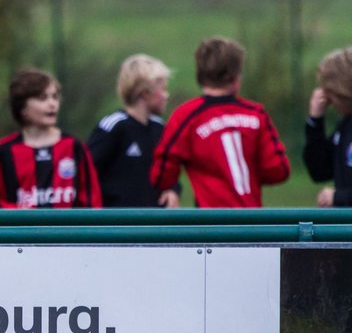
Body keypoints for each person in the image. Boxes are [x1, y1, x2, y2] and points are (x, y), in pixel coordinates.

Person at [150, 36, 289, 208]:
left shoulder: (187, 116)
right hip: (253, 222)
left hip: (212, 223)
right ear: (236, 76)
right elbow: (279, 170)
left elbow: (162, 174)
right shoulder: (255, 114)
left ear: (200, 73)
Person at [0, 68, 101, 209]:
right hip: (23, 231)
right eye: (42, 98)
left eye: (55, 97)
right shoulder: (5, 151)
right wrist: (19, 215)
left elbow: (91, 199)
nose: (52, 104)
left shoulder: (74, 146)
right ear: (22, 108)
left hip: (66, 231)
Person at [88, 54, 180, 208]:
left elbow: (169, 170)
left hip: (154, 224)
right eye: (163, 89)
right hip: (119, 225)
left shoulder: (160, 128)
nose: (166, 95)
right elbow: (87, 171)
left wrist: (172, 190)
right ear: (145, 93)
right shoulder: (114, 127)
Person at [303, 46, 352, 208]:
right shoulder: (345, 125)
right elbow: (320, 170)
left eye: (329, 91)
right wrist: (315, 121)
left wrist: (339, 198)